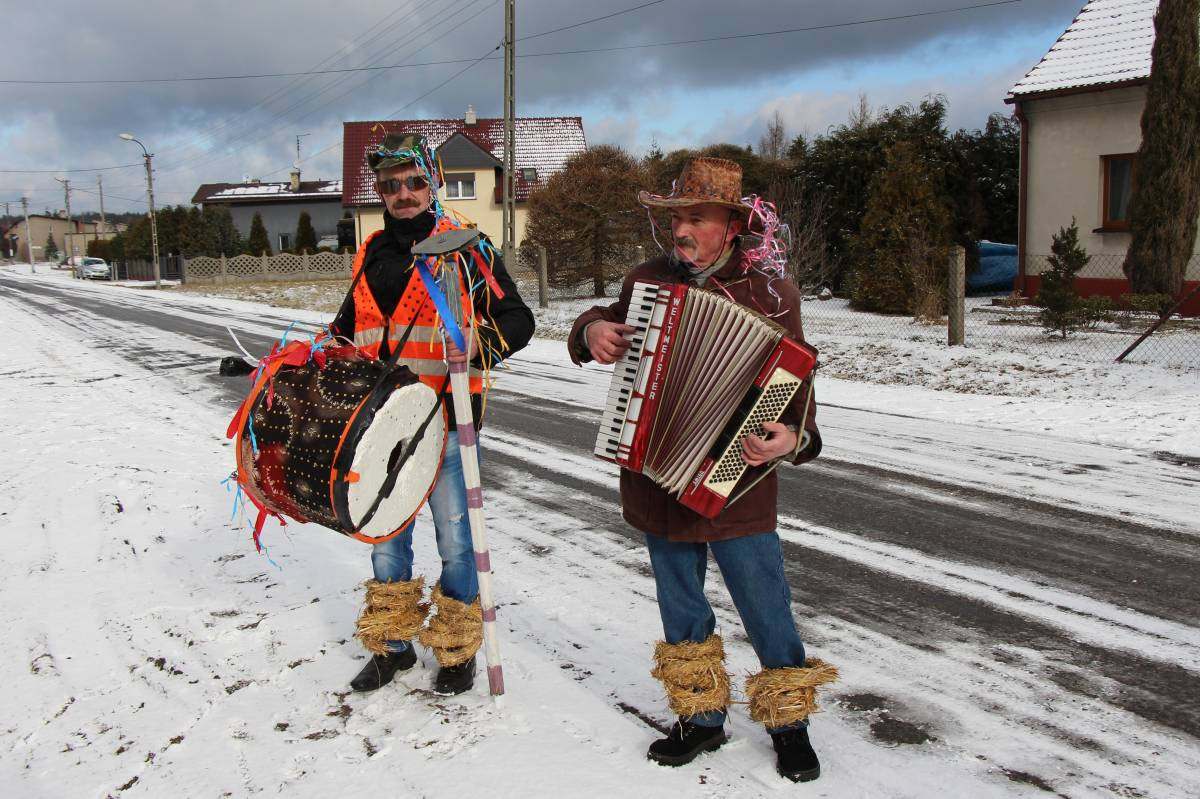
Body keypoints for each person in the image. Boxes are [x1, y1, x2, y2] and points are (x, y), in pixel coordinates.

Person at [567, 157, 835, 783]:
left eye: (695, 219)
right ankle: (701, 717)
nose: (680, 231)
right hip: (657, 471)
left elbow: (797, 384)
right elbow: (599, 322)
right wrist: (593, 331)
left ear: (730, 227)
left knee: (764, 603)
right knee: (681, 605)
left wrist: (794, 437)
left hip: (736, 479)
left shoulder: (772, 294)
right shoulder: (646, 280)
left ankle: (788, 724)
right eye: (675, 219)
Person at [331, 133, 534, 696]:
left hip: (444, 423)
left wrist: (477, 345)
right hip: (377, 428)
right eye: (391, 185)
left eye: (414, 181)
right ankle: (392, 645)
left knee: (455, 540)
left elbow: (518, 319)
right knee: (384, 535)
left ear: (434, 182)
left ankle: (453, 650)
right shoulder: (372, 251)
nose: (403, 194)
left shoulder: (467, 246)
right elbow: (351, 326)